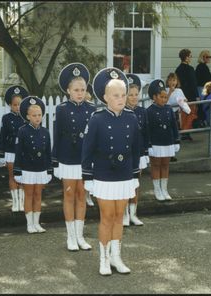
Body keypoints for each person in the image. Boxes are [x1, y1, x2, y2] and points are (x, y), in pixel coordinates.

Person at [83, 67, 140, 275]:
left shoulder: (131, 118)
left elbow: (135, 148)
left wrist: (135, 175)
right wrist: (87, 178)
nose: (121, 99)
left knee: (119, 216)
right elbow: (87, 150)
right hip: (104, 176)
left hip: (124, 175)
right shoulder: (97, 119)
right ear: (106, 97)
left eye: (123, 95)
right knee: (106, 217)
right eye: (116, 95)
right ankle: (104, 259)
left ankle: (116, 257)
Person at [53, 63, 96, 251]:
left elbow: (95, 137)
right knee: (69, 195)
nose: (79, 93)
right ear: (68, 91)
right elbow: (57, 135)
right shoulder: (62, 109)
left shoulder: (92, 109)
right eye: (76, 90)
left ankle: (80, 236)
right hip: (68, 158)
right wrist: (55, 160)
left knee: (82, 195)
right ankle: (70, 237)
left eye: (83, 89)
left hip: (85, 159)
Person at [14, 96, 52, 234]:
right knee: (29, 195)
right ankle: (29, 224)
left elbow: (48, 152)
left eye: (39, 115)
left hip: (41, 168)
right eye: (34, 115)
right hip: (27, 169)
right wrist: (17, 171)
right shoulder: (22, 131)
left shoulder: (45, 132)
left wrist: (49, 170)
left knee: (38, 195)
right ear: (28, 116)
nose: (37, 118)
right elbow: (18, 152)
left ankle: (37, 223)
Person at [146, 79, 180, 202]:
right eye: (161, 97)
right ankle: (157, 190)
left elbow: (174, 125)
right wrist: (148, 144)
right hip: (155, 143)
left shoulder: (168, 109)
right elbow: (147, 129)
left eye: (166, 97)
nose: (164, 100)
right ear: (154, 97)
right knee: (156, 165)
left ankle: (164, 189)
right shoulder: (149, 111)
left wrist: (176, 140)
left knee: (165, 165)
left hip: (167, 142)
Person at [0, 85, 28, 212]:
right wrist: (1, 154)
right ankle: (15, 202)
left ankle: (22, 202)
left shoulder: (27, 118)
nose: (17, 107)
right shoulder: (6, 118)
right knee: (12, 176)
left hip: (23, 152)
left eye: (20, 104)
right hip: (10, 151)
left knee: (22, 177)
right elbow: (2, 136)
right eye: (15, 105)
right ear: (10, 105)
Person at [122, 73, 147, 227]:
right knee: (125, 184)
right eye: (130, 95)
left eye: (136, 94)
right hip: (125, 154)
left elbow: (146, 134)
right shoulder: (122, 112)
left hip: (139, 153)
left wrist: (146, 152)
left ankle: (133, 214)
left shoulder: (142, 112)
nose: (133, 97)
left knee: (136, 184)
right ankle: (124, 214)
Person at [165, 72, 191, 162]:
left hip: (175, 113)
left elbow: (184, 99)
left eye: (174, 80)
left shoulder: (179, 90)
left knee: (175, 132)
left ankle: (172, 154)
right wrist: (170, 92)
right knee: (168, 134)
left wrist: (183, 100)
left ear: (177, 81)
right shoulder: (165, 90)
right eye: (170, 80)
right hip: (166, 113)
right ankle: (167, 154)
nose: (172, 82)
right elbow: (164, 102)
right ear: (167, 81)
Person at [175, 49, 199, 140]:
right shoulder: (190, 69)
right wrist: (196, 96)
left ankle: (184, 131)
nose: (191, 58)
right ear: (186, 57)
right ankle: (186, 132)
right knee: (191, 113)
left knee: (183, 114)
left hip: (182, 94)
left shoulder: (178, 69)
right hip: (190, 95)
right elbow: (193, 83)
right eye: (190, 56)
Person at [84, 82, 96, 207]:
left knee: (90, 171)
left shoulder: (93, 108)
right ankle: (83, 195)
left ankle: (88, 194)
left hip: (90, 143)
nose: (86, 95)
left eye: (88, 93)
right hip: (79, 144)